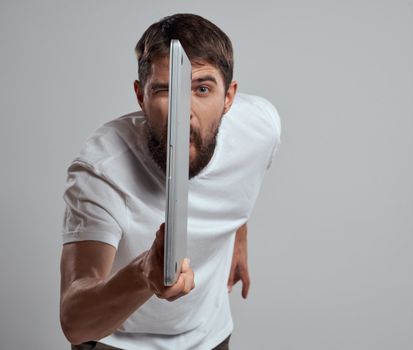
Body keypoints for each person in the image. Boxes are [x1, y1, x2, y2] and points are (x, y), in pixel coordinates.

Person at [60, 13, 281, 350]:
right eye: (165, 90)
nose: (184, 111)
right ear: (140, 96)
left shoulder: (260, 128)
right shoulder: (102, 168)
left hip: (209, 337)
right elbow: (75, 321)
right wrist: (142, 274)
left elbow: (244, 173)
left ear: (229, 98)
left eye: (202, 89)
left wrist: (239, 233)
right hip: (118, 342)